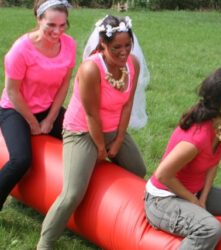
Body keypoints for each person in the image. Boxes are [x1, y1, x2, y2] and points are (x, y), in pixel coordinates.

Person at [37, 15, 147, 249]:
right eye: (117, 47)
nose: (124, 51)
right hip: (82, 131)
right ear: (103, 45)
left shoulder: (132, 65)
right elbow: (91, 115)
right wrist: (100, 148)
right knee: (72, 194)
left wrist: (117, 141)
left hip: (112, 129)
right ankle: (45, 241)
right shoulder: (91, 69)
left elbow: (127, 105)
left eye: (128, 45)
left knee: (138, 170)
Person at [144, 67, 221, 250]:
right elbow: (163, 175)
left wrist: (203, 198)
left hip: (196, 192)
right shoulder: (196, 138)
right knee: (210, 229)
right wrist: (194, 202)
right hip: (163, 199)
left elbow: (213, 164)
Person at [0, 0, 75, 211]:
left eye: (62, 25)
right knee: (21, 160)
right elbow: (13, 92)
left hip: (47, 108)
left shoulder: (69, 44)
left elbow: (64, 84)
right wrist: (33, 123)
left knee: (81, 139)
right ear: (38, 19)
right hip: (15, 110)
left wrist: (50, 119)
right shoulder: (20, 50)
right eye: (51, 24)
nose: (57, 31)